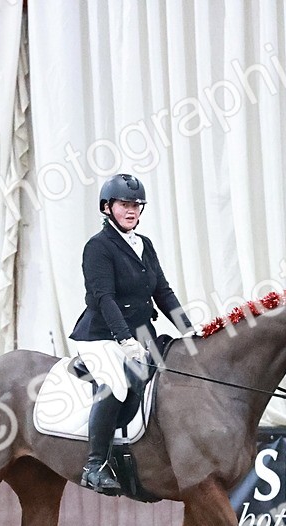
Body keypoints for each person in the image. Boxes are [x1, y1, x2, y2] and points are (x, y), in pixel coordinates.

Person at [69, 173, 194, 495]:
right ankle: (95, 465)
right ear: (107, 207)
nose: (132, 210)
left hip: (142, 332)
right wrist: (125, 340)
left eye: (137, 205)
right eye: (125, 204)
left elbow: (163, 292)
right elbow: (103, 298)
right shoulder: (97, 247)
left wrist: (189, 329)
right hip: (101, 335)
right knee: (116, 385)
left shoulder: (144, 245)